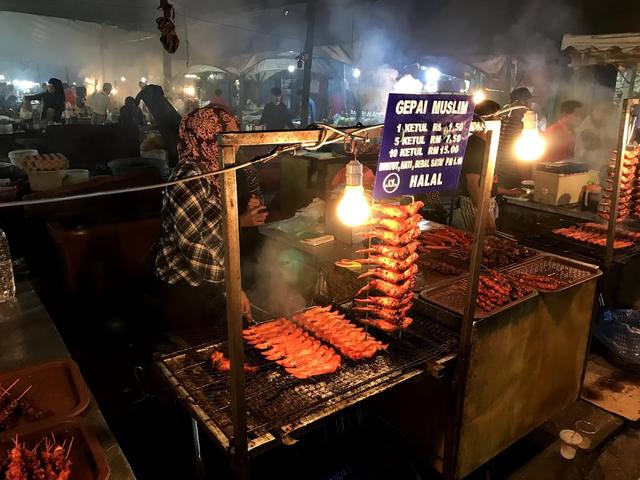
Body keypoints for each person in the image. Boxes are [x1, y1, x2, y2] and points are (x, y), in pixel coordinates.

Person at [154, 104, 255, 335]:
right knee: (194, 352)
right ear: (208, 135)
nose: (236, 142)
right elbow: (190, 243)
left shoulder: (213, 172)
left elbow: (213, 228)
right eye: (229, 135)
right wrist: (230, 283)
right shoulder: (189, 176)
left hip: (205, 281)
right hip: (181, 287)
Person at [453, 100, 523, 234]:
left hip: (486, 203)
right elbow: (473, 185)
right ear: (488, 120)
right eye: (498, 117)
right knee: (476, 245)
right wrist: (484, 214)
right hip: (474, 204)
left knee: (488, 244)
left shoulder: (487, 144)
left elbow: (487, 182)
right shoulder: (475, 145)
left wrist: (508, 192)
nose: (501, 121)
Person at [495, 87, 533, 189]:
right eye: (527, 103)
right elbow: (520, 156)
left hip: (500, 173)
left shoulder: (502, 120)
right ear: (517, 102)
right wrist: (527, 179)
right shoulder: (521, 125)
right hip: (512, 176)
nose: (529, 107)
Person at [574, 100, 616, 170]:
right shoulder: (586, 127)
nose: (606, 116)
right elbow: (595, 143)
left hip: (596, 168)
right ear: (594, 110)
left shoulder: (601, 126)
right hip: (583, 168)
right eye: (604, 111)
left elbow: (605, 140)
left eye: (609, 113)